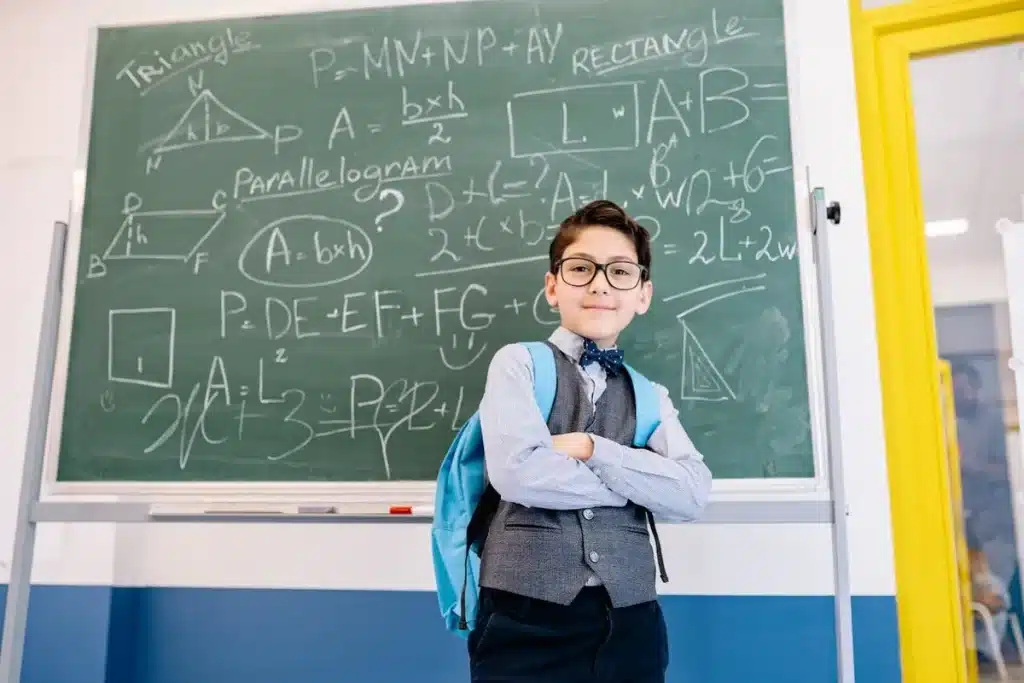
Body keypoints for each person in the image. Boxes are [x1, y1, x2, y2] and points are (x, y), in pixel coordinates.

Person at [469, 199, 713, 683]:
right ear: (553, 286)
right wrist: (638, 483)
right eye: (581, 268)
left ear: (643, 294)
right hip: (526, 615)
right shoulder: (518, 364)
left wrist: (592, 448)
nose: (600, 283)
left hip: (631, 617)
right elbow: (520, 474)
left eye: (620, 271)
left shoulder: (650, 396)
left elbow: (692, 493)